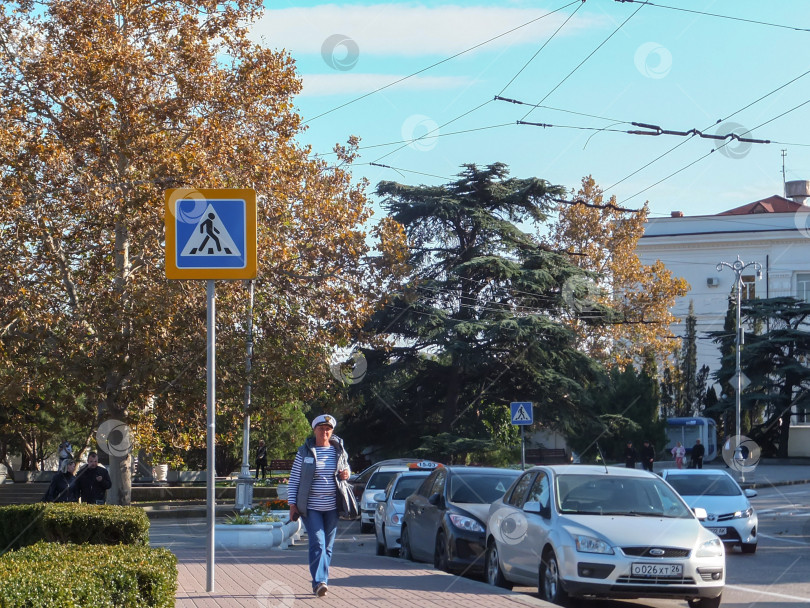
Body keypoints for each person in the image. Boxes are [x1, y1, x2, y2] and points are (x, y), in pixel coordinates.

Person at [288, 414, 351, 598]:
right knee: (318, 542)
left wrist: (347, 473)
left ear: (332, 431)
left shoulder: (339, 450)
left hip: (333, 506)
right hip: (310, 507)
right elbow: (294, 481)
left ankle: (322, 580)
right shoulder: (304, 452)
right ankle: (319, 583)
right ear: (314, 430)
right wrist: (292, 505)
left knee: (328, 547)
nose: (325, 432)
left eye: (328, 429)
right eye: (321, 429)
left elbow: (346, 469)